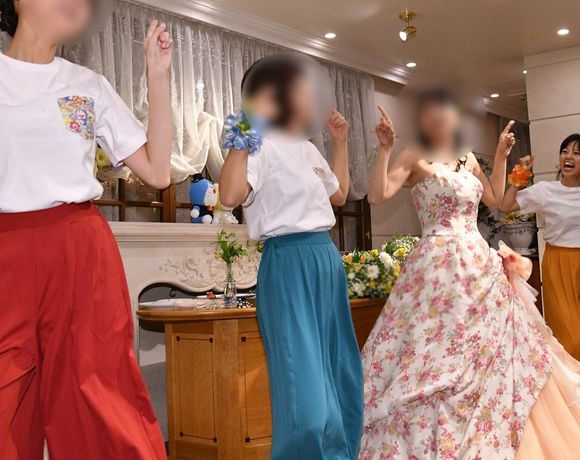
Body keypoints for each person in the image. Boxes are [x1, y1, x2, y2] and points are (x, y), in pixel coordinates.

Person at [0, 0, 172, 459]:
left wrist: (157, 77)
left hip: (79, 248)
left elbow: (158, 172)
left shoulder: (86, 84)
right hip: (6, 254)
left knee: (96, 391)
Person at [361, 89, 580, 459]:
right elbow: (377, 196)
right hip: (435, 267)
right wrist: (384, 149)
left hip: (478, 263)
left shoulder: (466, 156)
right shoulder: (413, 154)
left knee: (495, 345)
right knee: (433, 349)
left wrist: (501, 156)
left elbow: (494, 199)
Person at [219, 53, 363, 460]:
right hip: (287, 263)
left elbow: (339, 195)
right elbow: (229, 195)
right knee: (305, 391)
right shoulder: (257, 145)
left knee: (340, 372)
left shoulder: (307, 148)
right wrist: (245, 128)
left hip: (325, 260)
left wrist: (340, 143)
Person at [501, 134, 580, 359]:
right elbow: (506, 205)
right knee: (570, 337)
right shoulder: (545, 191)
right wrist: (519, 174)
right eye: (564, 151)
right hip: (558, 263)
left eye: (576, 153)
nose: (568, 156)